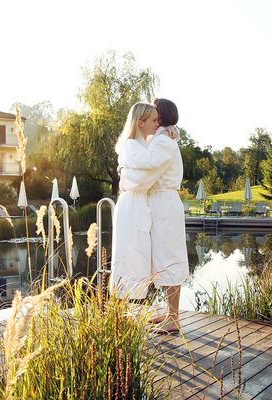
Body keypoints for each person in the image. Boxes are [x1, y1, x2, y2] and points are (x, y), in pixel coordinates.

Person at [119, 98, 189, 333]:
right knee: (160, 258)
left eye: (155, 113)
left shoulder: (163, 142)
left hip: (164, 204)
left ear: (161, 116)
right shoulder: (161, 138)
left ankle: (174, 318)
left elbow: (147, 172)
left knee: (169, 257)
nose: (153, 117)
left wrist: (125, 176)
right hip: (158, 203)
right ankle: (170, 313)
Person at [111, 102, 175, 300]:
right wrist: (130, 179)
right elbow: (146, 172)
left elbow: (143, 175)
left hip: (139, 205)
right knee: (129, 256)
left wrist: (170, 132)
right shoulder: (131, 146)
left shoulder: (144, 145)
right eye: (155, 120)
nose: (158, 125)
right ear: (140, 122)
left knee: (139, 259)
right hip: (131, 206)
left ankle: (131, 313)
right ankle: (121, 314)